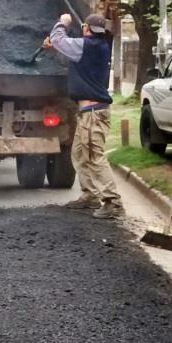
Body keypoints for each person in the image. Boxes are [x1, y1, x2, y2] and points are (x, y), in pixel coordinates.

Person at [44, 12, 124, 219]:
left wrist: (62, 23)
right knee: (79, 153)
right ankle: (90, 195)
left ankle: (113, 202)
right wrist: (56, 48)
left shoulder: (88, 45)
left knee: (94, 156)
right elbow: (69, 56)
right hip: (88, 112)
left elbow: (59, 39)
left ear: (86, 28)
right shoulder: (95, 46)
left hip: (94, 114)